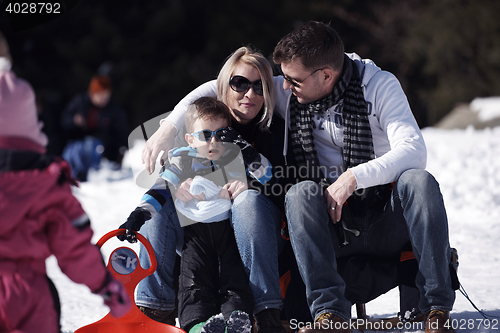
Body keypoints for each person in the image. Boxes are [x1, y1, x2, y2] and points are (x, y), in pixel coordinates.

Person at [142, 22, 457, 333]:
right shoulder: (295, 88)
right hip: (329, 218)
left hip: (381, 209)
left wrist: (353, 178)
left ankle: (436, 308)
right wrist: (169, 127)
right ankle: (328, 315)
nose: (284, 87)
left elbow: (415, 151)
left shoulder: (379, 86)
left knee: (418, 180)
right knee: (300, 192)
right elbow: (220, 85)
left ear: (325, 75)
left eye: (292, 80)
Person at [126, 46, 297, 333]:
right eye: (240, 83)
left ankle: (265, 311)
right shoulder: (204, 122)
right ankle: (156, 308)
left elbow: (279, 185)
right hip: (201, 234)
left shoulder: (274, 128)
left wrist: (247, 183)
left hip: (255, 232)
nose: (249, 94)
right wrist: (163, 195)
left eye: (259, 86)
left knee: (248, 200)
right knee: (163, 202)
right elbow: (168, 177)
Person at [0, 31, 131, 333]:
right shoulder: (45, 186)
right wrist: (105, 286)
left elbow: (117, 134)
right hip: (28, 297)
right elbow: (73, 248)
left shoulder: (110, 111)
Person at [121, 97, 263, 333]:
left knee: (235, 283)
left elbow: (270, 177)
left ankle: (237, 323)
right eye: (206, 135)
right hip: (195, 238)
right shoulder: (181, 159)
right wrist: (137, 216)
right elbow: (160, 188)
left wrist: (248, 156)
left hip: (229, 235)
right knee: (193, 286)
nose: (214, 141)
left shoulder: (235, 155)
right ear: (189, 138)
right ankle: (198, 327)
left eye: (222, 134)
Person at [61, 74, 128, 181]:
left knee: (93, 145)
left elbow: (120, 132)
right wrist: (74, 120)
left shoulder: (113, 109)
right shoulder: (80, 102)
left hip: (101, 149)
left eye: (106, 96)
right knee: (74, 151)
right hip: (76, 142)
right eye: (100, 96)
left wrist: (120, 151)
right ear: (92, 94)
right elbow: (64, 121)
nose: (104, 100)